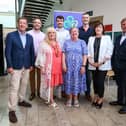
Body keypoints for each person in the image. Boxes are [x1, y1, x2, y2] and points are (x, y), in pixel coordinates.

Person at [5, 17, 35, 123]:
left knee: (24, 85)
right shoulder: (11, 36)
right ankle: (11, 110)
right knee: (14, 88)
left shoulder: (30, 37)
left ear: (27, 25)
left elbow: (32, 51)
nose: (22, 24)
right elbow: (7, 52)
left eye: (24, 23)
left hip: (26, 66)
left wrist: (32, 64)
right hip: (15, 67)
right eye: (20, 23)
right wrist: (9, 66)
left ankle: (21, 100)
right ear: (18, 24)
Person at [35, 27, 63, 107]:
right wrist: (42, 67)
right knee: (49, 84)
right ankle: (51, 100)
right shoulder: (43, 44)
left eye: (53, 33)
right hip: (48, 68)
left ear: (55, 34)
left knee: (53, 84)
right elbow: (40, 56)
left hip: (57, 67)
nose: (51, 34)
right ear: (47, 34)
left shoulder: (57, 43)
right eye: (49, 33)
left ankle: (50, 97)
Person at [88, 22, 113, 109]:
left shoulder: (107, 38)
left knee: (100, 82)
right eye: (96, 27)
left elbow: (109, 51)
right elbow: (88, 51)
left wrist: (101, 62)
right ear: (94, 29)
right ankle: (95, 96)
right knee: (94, 82)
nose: (98, 29)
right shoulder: (91, 38)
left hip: (103, 64)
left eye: (100, 27)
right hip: (92, 64)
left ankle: (100, 99)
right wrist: (91, 62)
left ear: (103, 29)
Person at [62, 27, 87, 107]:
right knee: (68, 81)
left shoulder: (82, 42)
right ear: (70, 33)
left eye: (76, 31)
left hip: (78, 67)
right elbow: (63, 54)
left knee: (76, 81)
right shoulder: (66, 42)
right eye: (72, 31)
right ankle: (69, 98)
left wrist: (83, 65)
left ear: (78, 33)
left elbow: (85, 54)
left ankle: (76, 99)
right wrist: (63, 64)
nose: (74, 33)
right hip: (68, 66)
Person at [110, 17, 126, 114]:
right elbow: (115, 51)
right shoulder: (118, 37)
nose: (124, 26)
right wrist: (113, 64)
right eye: (123, 24)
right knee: (120, 85)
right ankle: (120, 101)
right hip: (117, 66)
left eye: (125, 24)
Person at [27, 17, 45, 100]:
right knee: (31, 76)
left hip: (40, 58)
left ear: (41, 25)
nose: (37, 24)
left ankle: (39, 92)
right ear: (33, 24)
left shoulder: (44, 35)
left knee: (40, 76)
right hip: (30, 58)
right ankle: (33, 92)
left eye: (38, 23)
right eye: (35, 22)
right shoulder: (28, 34)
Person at [79, 12, 94, 101]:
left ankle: (87, 93)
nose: (85, 19)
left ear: (89, 19)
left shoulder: (93, 30)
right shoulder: (78, 30)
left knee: (88, 77)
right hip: (79, 57)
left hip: (89, 57)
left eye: (87, 18)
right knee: (78, 75)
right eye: (84, 18)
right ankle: (76, 93)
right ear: (82, 19)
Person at [55, 15, 70, 98]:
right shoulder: (53, 31)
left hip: (65, 55)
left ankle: (64, 90)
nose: (59, 22)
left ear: (63, 22)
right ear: (56, 22)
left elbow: (67, 44)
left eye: (61, 20)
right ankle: (57, 92)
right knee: (56, 73)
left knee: (64, 73)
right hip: (55, 56)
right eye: (58, 20)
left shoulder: (67, 32)